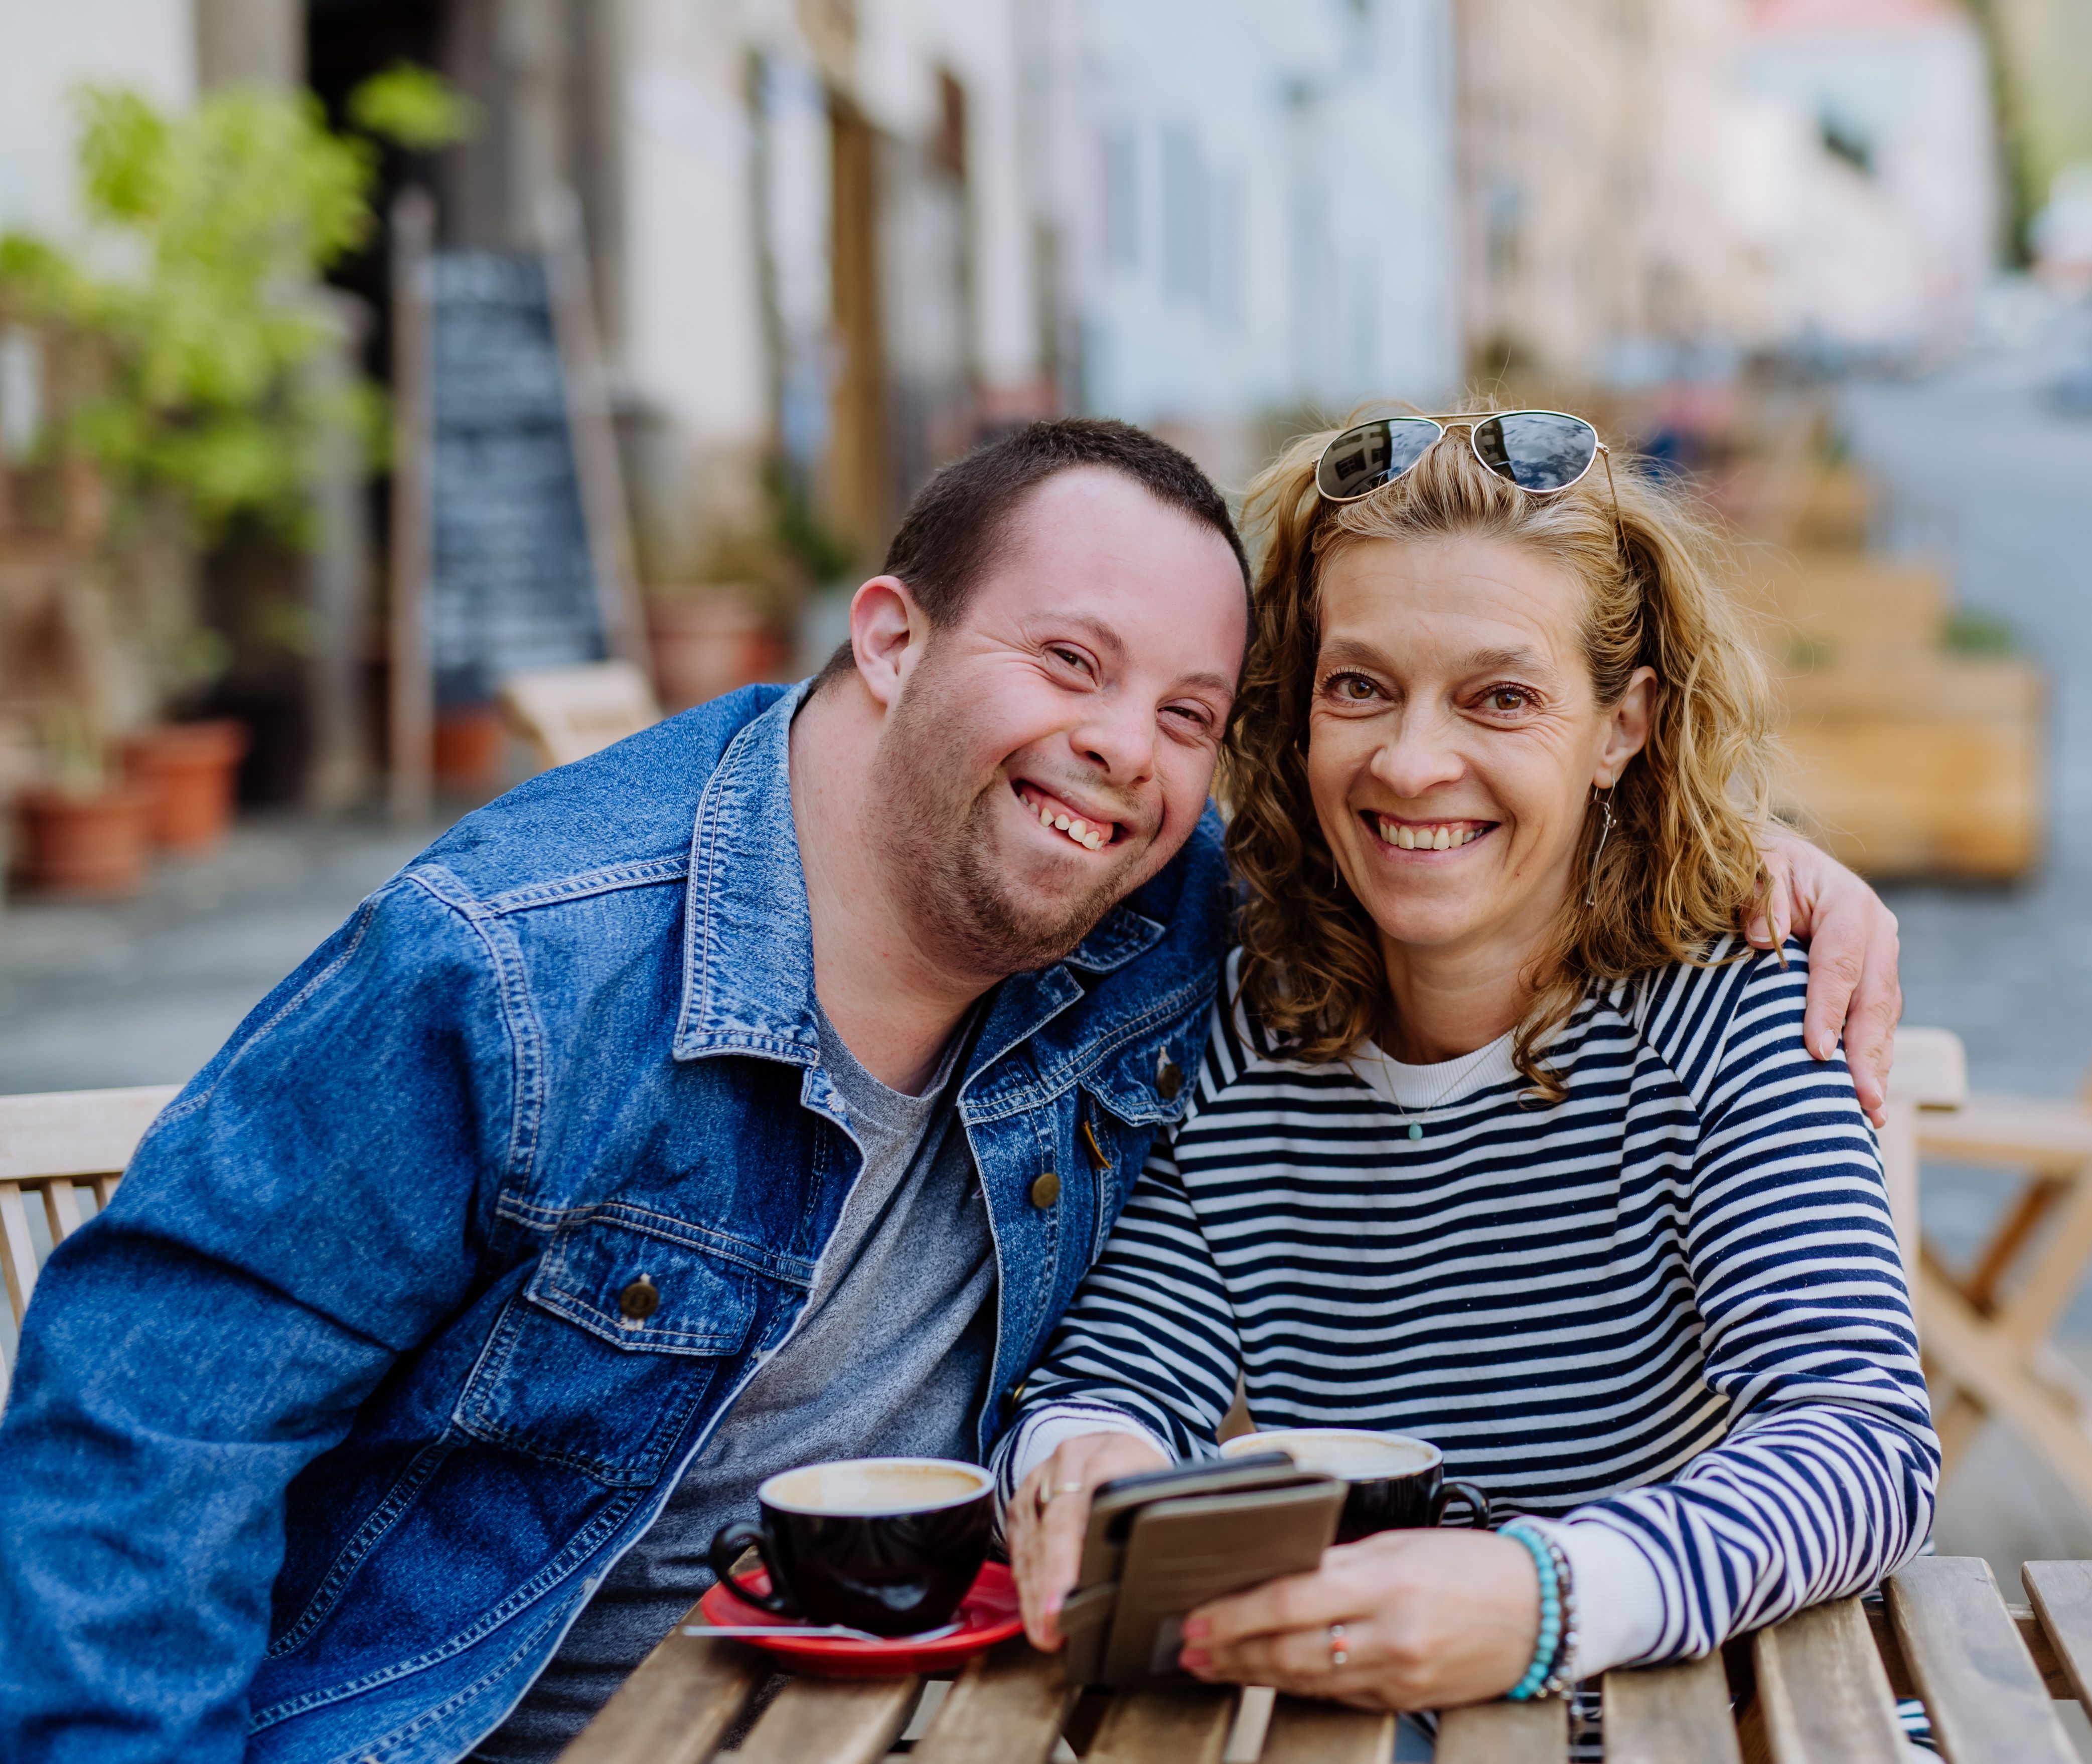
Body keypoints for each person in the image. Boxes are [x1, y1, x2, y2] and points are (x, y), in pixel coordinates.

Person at [0, 418, 1900, 1764]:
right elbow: (147, 1427)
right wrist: (1086, 1452)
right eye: (1068, 662)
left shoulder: (1165, 932)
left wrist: (1747, 853)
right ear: (889, 637)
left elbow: (1852, 1431)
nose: (1123, 761)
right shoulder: (526, 966)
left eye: (1180, 713)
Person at [1000, 410, 1938, 1714]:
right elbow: (1122, 1373)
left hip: (1705, 1716)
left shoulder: (1734, 1005)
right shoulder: (1240, 1029)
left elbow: (1861, 1447)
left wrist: (1541, 1594)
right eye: (1359, 687)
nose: (1411, 760)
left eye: (1500, 697)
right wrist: (1081, 1463)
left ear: (1622, 726)